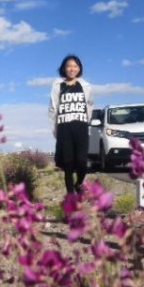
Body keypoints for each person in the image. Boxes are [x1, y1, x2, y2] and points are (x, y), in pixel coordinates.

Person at [48, 55, 93, 195]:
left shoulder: (86, 86)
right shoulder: (57, 85)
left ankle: (79, 183)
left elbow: (89, 106)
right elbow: (53, 108)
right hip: (64, 128)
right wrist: (55, 129)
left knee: (82, 161)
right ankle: (71, 197)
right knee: (67, 163)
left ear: (79, 68)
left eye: (75, 66)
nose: (72, 69)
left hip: (81, 127)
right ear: (64, 68)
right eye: (69, 66)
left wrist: (87, 123)